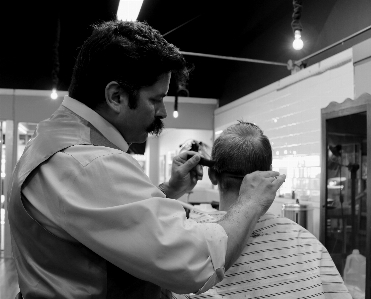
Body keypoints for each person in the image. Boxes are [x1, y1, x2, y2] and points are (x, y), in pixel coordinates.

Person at [7, 20, 285, 298]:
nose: (162, 112)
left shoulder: (53, 137)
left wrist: (170, 190)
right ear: (116, 96)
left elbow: (105, 218)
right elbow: (196, 263)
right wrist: (250, 202)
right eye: (155, 99)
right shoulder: (87, 162)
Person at [175, 121, 351, 299]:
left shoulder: (183, 244)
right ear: (268, 176)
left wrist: (169, 190)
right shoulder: (308, 244)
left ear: (212, 174)